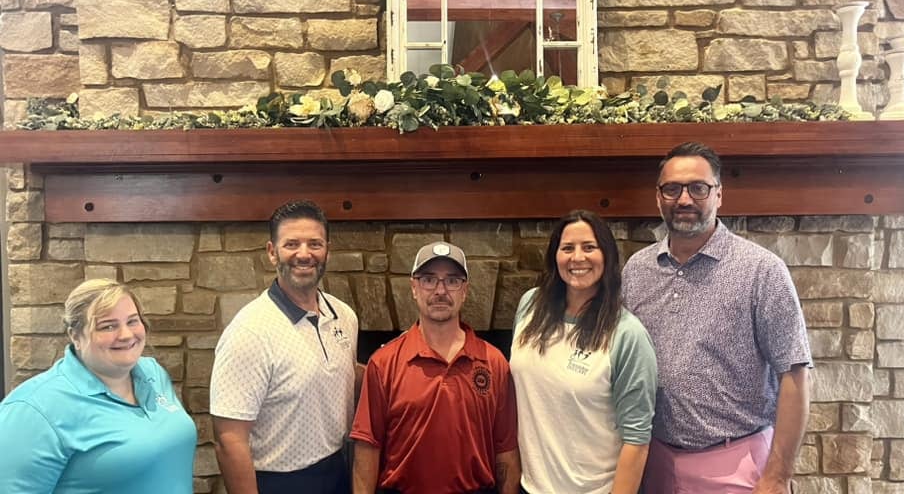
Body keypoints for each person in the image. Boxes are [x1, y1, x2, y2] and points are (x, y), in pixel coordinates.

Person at [622, 141, 812, 494]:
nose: (684, 199)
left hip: (736, 465)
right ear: (658, 196)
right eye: (672, 188)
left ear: (719, 194)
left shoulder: (761, 270)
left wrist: (777, 476)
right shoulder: (637, 270)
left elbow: (795, 373)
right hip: (655, 462)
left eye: (698, 188)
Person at [210, 199, 359, 494]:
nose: (304, 254)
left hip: (337, 469)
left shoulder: (345, 315)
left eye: (314, 244)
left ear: (327, 250)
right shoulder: (249, 331)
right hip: (279, 481)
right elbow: (229, 439)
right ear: (272, 252)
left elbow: (341, 373)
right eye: (292, 244)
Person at [351, 241, 520, 494]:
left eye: (452, 280)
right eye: (429, 279)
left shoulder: (494, 362)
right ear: (414, 287)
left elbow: (505, 450)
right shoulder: (384, 363)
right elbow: (367, 448)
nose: (440, 290)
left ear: (465, 290)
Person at [0, 278, 197, 493]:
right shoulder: (33, 409)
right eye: (108, 326)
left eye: (132, 321)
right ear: (75, 336)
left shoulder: (152, 373)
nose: (126, 335)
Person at [510, 210, 657, 494]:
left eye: (589, 247)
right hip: (531, 486)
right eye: (567, 248)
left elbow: (637, 440)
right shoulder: (529, 306)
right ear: (555, 256)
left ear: (607, 256)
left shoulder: (628, 335)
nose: (578, 258)